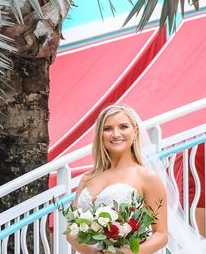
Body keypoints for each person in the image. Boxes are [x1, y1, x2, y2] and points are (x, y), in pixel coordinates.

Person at [67, 104, 168, 254]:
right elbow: (71, 231)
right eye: (107, 129)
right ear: (100, 135)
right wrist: (94, 253)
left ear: (135, 131)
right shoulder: (87, 178)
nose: (115, 134)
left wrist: (129, 253)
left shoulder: (146, 177)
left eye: (123, 127)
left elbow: (161, 234)